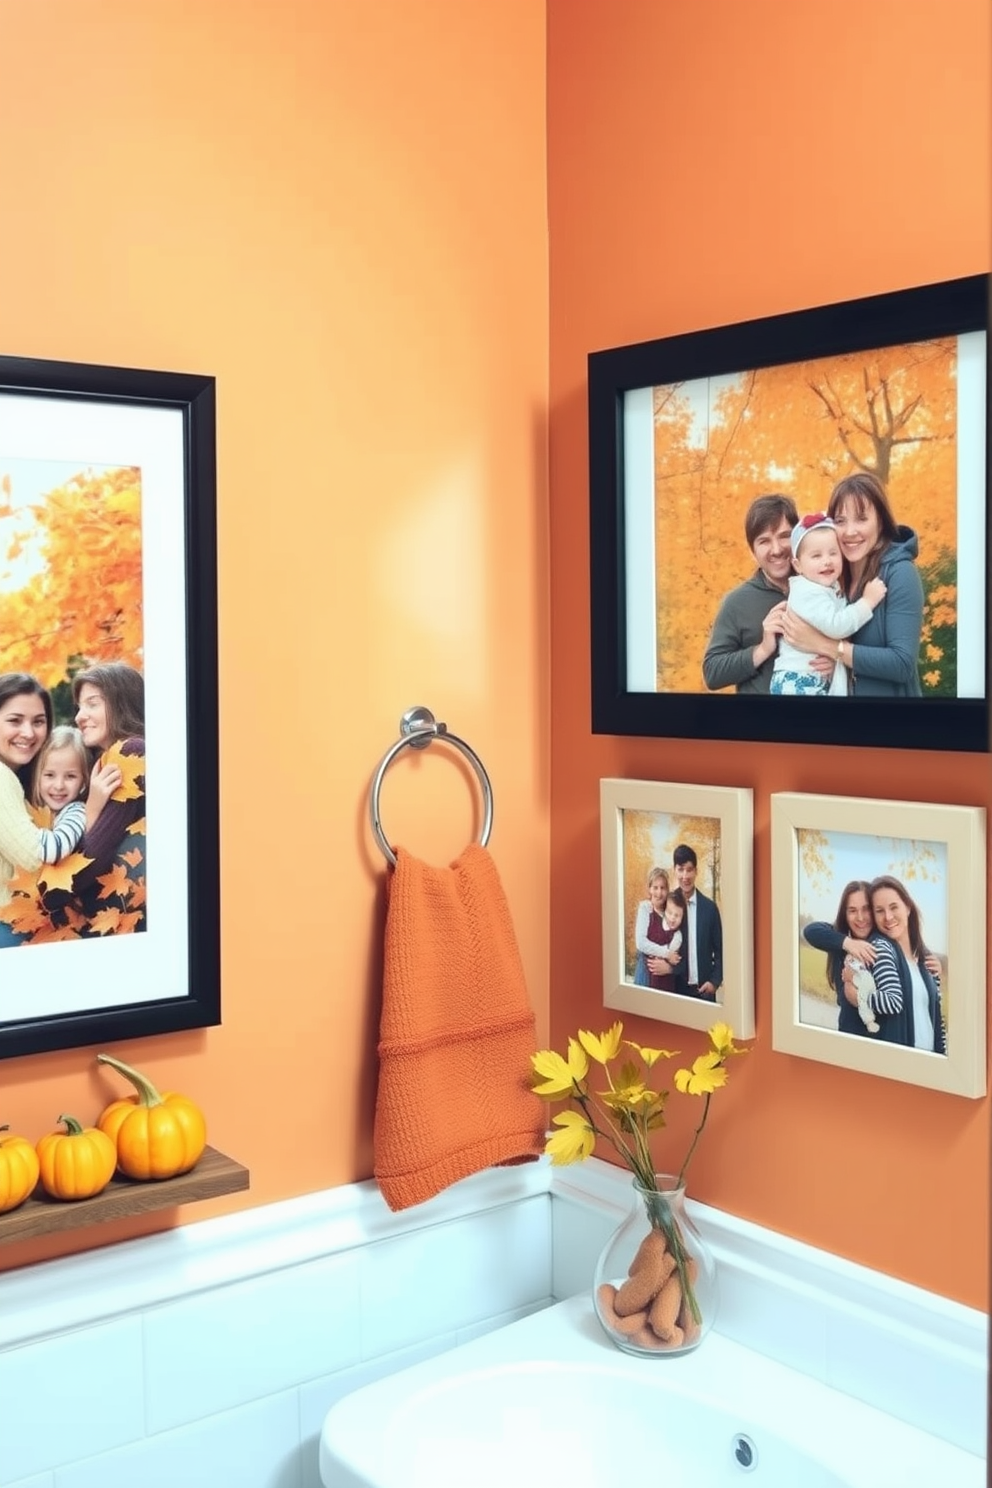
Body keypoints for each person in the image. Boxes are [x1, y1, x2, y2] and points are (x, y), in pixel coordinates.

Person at [780, 472, 924, 696]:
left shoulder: (900, 573)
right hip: (845, 721)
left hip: (892, 723)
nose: (850, 531)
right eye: (840, 521)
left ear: (881, 522)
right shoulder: (831, 575)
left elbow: (902, 664)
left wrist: (829, 648)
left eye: (861, 518)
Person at [0, 674, 118, 943]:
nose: (28, 732)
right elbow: (35, 858)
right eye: (14, 720)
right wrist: (93, 809)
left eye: (38, 722)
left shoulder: (29, 789)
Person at [771, 514, 886, 696]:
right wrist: (867, 602)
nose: (827, 560)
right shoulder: (807, 592)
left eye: (833, 553)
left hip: (811, 677)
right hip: (798, 680)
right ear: (798, 565)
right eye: (816, 555)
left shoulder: (826, 587)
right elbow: (837, 626)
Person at [68, 661, 146, 928]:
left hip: (126, 925)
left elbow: (82, 870)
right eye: (79, 707)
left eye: (92, 703)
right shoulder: (103, 763)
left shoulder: (129, 752)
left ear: (121, 702)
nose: (79, 716)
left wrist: (91, 808)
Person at [702, 493, 799, 694]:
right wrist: (763, 649)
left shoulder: (822, 587)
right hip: (760, 722)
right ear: (752, 551)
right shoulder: (736, 602)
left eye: (784, 536)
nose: (776, 549)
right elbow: (712, 673)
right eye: (764, 541)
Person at [847, 876, 946, 1053]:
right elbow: (893, 1002)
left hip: (931, 1062)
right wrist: (860, 998)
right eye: (879, 911)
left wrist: (943, 1055)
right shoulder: (881, 948)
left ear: (907, 907)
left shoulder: (926, 959)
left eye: (894, 907)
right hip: (900, 1063)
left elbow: (937, 1018)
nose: (888, 917)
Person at [802, 880, 879, 1036]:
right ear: (845, 914)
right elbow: (810, 931)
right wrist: (848, 943)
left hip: (883, 1040)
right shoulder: (840, 938)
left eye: (866, 909)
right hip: (848, 1036)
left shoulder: (882, 943)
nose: (860, 917)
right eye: (852, 910)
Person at [667, 843, 722, 1001]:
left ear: (696, 871)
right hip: (674, 990)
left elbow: (720, 951)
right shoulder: (668, 905)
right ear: (674, 870)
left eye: (689, 869)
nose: (685, 876)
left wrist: (714, 982)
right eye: (681, 869)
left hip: (704, 991)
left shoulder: (710, 909)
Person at [30, 725, 91, 861]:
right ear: (37, 776)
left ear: (84, 781)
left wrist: (10, 830)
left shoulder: (76, 812)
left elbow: (54, 849)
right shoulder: (31, 807)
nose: (59, 786)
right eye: (50, 775)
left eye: (70, 776)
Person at [632, 866, 671, 986]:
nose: (659, 892)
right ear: (649, 889)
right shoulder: (646, 908)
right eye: (655, 887)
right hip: (646, 976)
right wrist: (666, 952)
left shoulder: (671, 913)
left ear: (667, 890)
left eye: (663, 888)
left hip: (666, 979)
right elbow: (641, 943)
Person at [645, 888, 686, 993]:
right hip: (648, 975)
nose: (672, 918)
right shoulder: (655, 921)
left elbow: (671, 955)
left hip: (665, 979)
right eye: (669, 913)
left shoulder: (677, 936)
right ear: (665, 911)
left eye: (677, 916)